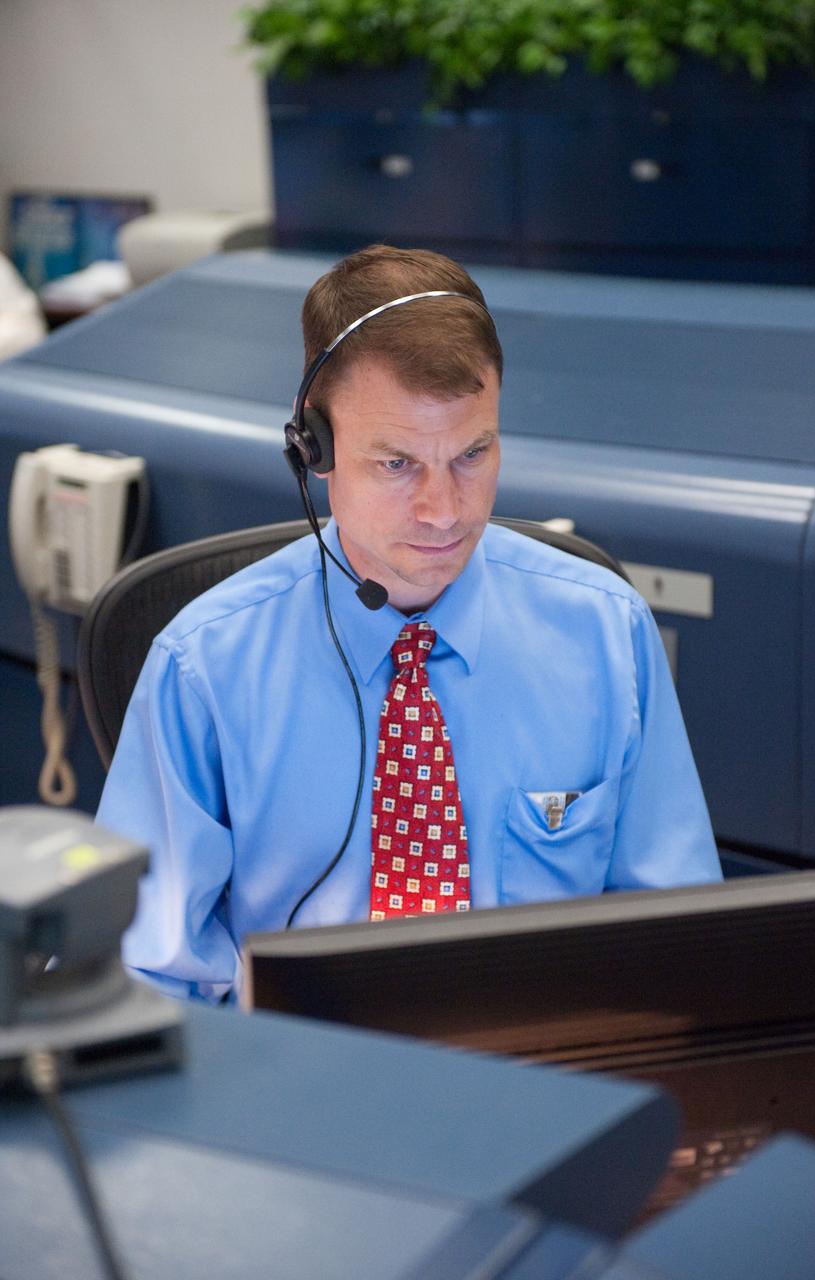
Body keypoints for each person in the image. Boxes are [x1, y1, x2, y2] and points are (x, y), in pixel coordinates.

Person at [98, 244, 721, 1002]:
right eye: (396, 464)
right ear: (312, 450)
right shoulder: (204, 667)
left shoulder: (604, 633)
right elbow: (146, 981)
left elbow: (677, 942)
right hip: (294, 1088)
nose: (443, 509)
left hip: (546, 1086)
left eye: (472, 453)